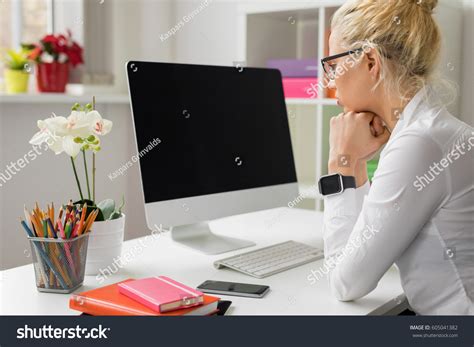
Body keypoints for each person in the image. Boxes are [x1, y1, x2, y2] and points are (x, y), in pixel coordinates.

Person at [320, 0, 473, 315]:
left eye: (333, 66)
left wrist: (343, 163)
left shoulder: (419, 144)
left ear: (371, 62)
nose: (331, 83)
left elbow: (346, 284)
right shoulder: (432, 131)